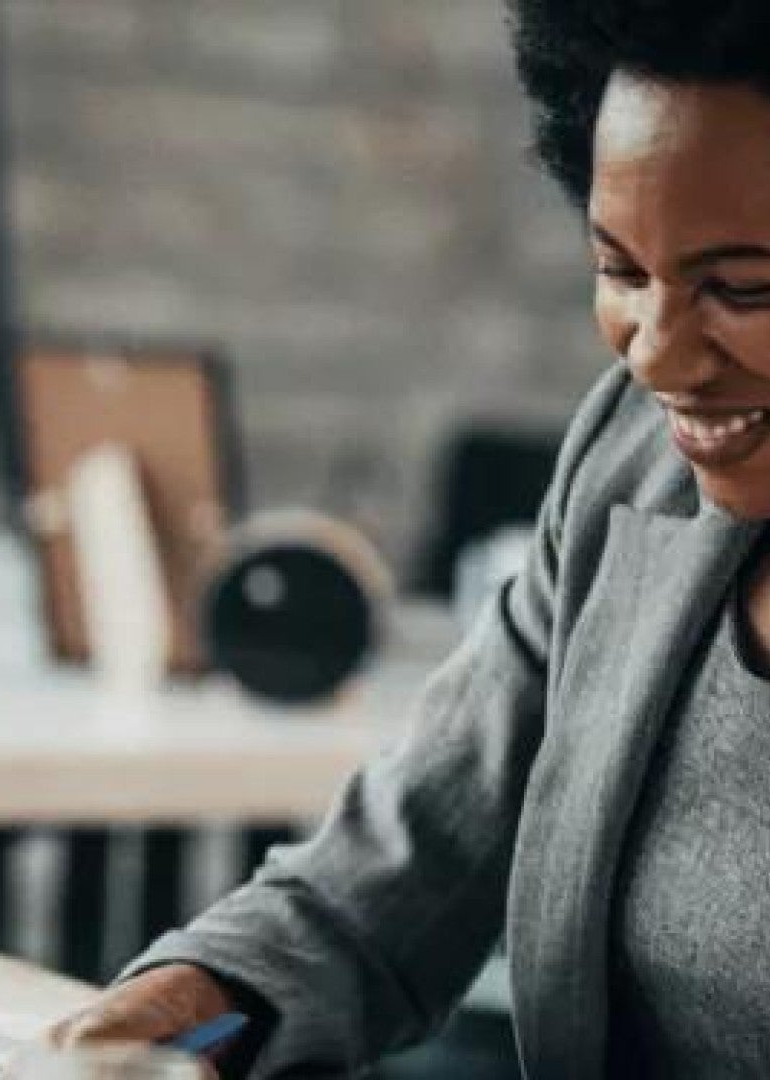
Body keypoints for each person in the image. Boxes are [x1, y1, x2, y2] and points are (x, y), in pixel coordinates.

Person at [45, 0, 770, 1077]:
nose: (658, 355)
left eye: (740, 287)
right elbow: (380, 888)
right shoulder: (633, 465)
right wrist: (155, 1024)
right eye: (621, 271)